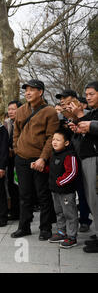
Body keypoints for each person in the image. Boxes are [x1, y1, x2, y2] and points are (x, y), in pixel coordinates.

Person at [11, 79, 59, 240]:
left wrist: (43, 158)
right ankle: (24, 227)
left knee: (43, 195)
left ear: (41, 92)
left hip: (39, 160)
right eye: (26, 90)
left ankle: (45, 228)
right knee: (24, 195)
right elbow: (16, 132)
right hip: (22, 158)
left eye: (32, 89)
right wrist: (17, 149)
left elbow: (51, 137)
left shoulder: (50, 111)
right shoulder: (21, 110)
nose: (28, 92)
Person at [67, 81, 98, 253]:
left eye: (91, 94)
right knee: (92, 198)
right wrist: (80, 128)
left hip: (94, 159)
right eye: (86, 94)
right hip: (87, 157)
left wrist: (84, 119)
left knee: (95, 198)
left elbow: (92, 126)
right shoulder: (93, 112)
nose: (88, 97)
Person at [45, 128, 79, 248]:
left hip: (66, 191)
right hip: (55, 191)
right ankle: (61, 232)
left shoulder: (70, 155)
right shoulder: (54, 154)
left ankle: (72, 236)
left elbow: (72, 172)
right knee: (59, 212)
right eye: (53, 139)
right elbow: (53, 169)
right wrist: (44, 169)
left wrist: (60, 182)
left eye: (58, 140)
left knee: (69, 213)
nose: (54, 142)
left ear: (66, 143)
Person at [5, 100, 22, 220]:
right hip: (10, 160)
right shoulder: (8, 123)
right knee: (11, 185)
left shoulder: (24, 123)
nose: (10, 111)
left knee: (20, 187)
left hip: (21, 159)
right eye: (9, 109)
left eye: (13, 109)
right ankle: (15, 212)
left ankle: (23, 213)